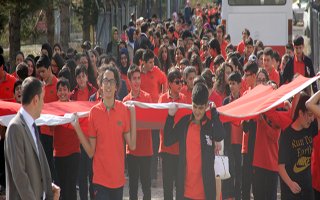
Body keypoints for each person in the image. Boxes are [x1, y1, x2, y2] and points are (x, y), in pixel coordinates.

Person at [71, 65, 136, 200]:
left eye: (112, 82)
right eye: (105, 81)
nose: (108, 85)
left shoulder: (123, 110)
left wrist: (133, 115)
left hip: (118, 179)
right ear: (100, 85)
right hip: (100, 180)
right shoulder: (94, 112)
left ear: (116, 86)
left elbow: (132, 145)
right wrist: (76, 127)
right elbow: (90, 151)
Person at [164, 82, 225, 200]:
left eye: (201, 108)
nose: (197, 111)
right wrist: (170, 117)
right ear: (191, 102)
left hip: (205, 192)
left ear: (206, 105)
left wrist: (214, 113)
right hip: (185, 191)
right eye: (195, 106)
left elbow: (219, 136)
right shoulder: (184, 123)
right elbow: (167, 140)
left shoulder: (210, 125)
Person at [4, 77, 60, 199]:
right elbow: (19, 175)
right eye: (43, 99)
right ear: (35, 99)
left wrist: (48, 187)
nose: (43, 103)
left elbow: (36, 166)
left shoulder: (32, 126)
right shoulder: (15, 128)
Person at [278, 91, 320, 199]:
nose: (312, 119)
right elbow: (280, 166)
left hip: (308, 190)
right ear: (300, 113)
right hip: (291, 192)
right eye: (309, 115)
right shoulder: (287, 134)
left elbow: (311, 104)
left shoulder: (311, 127)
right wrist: (290, 183)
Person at [123, 64, 153, 200]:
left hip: (146, 148)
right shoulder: (125, 101)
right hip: (132, 149)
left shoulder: (148, 98)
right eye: (134, 78)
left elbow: (152, 121)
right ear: (129, 80)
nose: (137, 81)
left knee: (146, 186)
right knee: (133, 187)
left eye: (138, 78)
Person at [158, 68, 186, 200]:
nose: (180, 84)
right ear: (169, 83)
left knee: (181, 188)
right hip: (167, 149)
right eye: (177, 82)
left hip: (181, 151)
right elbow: (159, 123)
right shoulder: (162, 99)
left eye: (181, 81)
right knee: (167, 188)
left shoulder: (185, 100)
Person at [53, 78, 80, 200]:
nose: (62, 92)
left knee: (71, 187)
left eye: (65, 89)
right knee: (61, 189)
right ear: (57, 92)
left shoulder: (75, 107)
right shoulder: (53, 108)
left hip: (74, 152)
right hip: (58, 154)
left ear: (70, 91)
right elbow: (49, 127)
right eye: (60, 90)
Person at [222, 72, 242, 200]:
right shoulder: (226, 101)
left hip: (241, 141)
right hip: (229, 140)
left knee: (239, 171)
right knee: (229, 170)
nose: (231, 86)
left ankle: (237, 195)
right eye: (230, 83)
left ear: (240, 84)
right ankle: (229, 196)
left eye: (234, 83)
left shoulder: (243, 99)